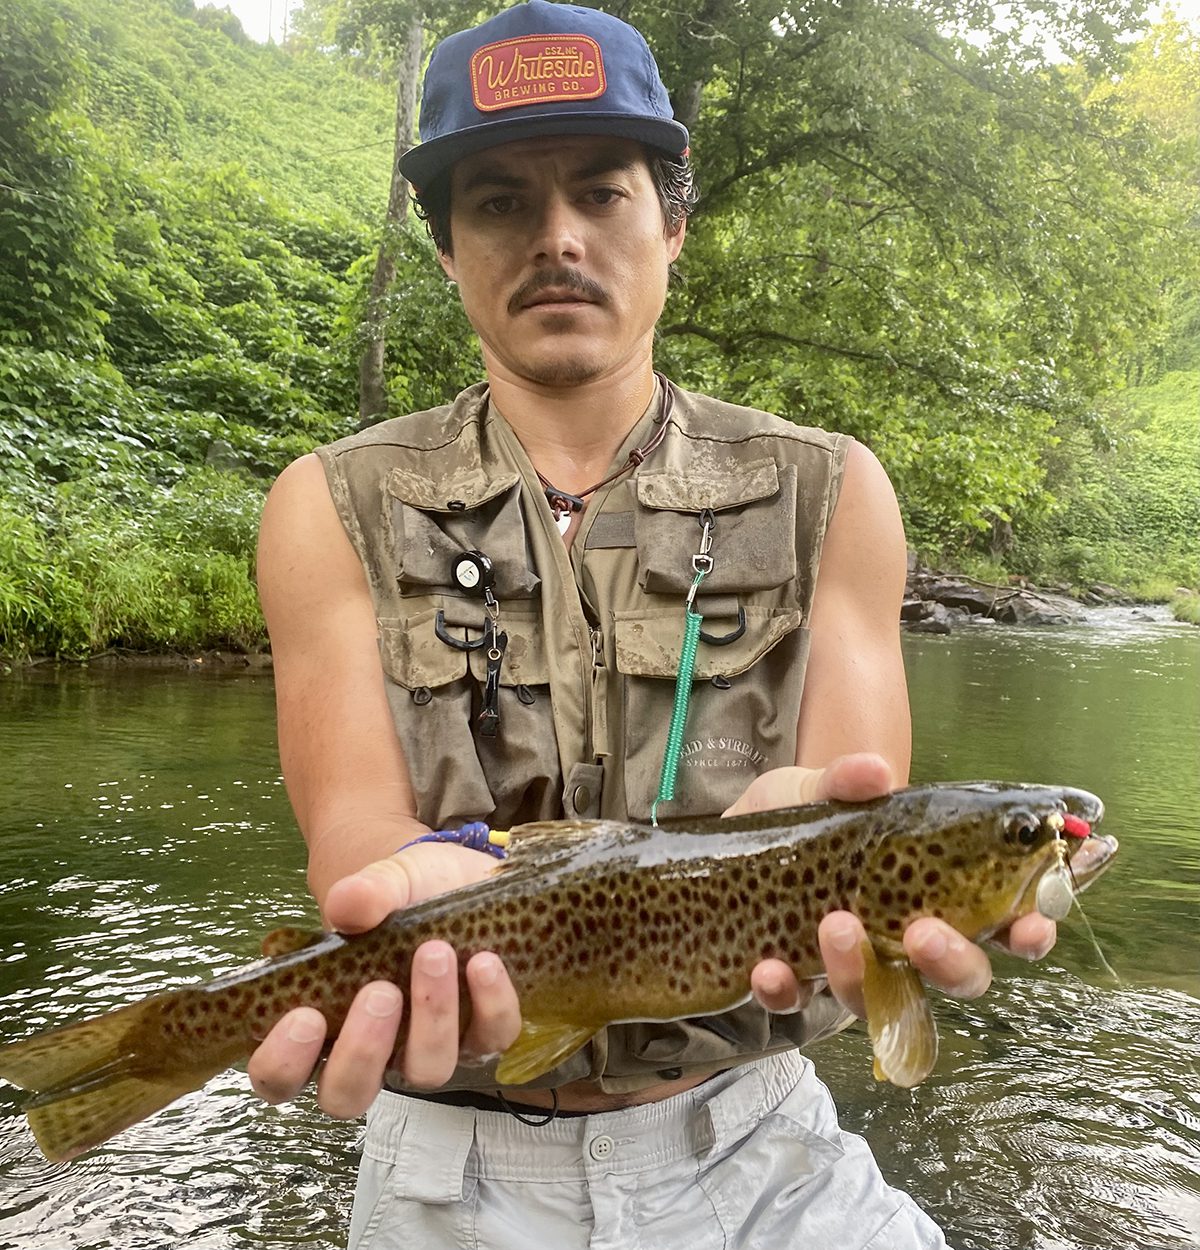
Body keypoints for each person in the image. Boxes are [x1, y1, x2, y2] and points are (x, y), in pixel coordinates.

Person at [249, 3, 1056, 1245]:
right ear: (452, 249)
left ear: (673, 225)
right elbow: (353, 826)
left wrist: (793, 845)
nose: (557, 236)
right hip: (445, 1168)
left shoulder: (831, 489)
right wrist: (393, 879)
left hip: (754, 1138)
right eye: (500, 201)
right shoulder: (328, 506)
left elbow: (863, 797)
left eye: (603, 193)